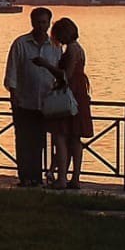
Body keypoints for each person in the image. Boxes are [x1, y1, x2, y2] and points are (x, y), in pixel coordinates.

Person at [3, 7, 60, 186]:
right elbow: (12, 72)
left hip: (47, 103)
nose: (41, 26)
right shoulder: (20, 44)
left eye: (44, 22)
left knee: (41, 142)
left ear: (49, 23)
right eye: (38, 22)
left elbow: (59, 72)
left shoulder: (56, 47)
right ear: (32, 22)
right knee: (24, 141)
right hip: (24, 101)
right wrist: (14, 99)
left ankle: (38, 176)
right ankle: (25, 176)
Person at [45, 17, 91, 189]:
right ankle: (75, 177)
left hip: (69, 95)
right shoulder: (79, 49)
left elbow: (67, 75)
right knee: (75, 139)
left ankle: (62, 178)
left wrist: (47, 66)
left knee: (61, 136)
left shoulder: (71, 50)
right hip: (79, 94)